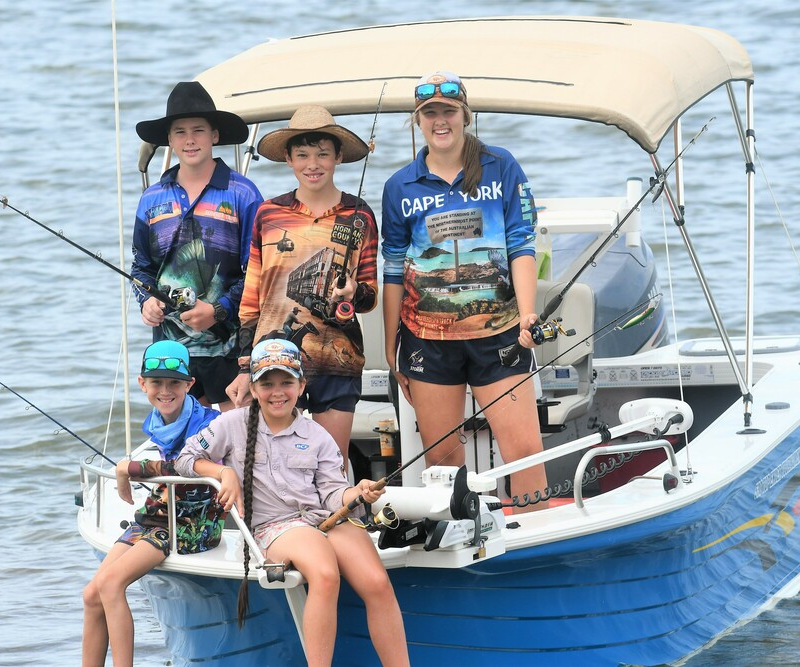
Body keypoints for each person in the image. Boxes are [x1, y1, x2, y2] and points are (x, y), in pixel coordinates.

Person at [175, 339, 408, 667]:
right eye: (267, 383)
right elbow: (185, 459)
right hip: (275, 527)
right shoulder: (230, 424)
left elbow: (331, 494)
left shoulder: (318, 435)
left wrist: (357, 493)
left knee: (377, 582)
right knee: (325, 574)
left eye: (286, 382)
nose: (277, 392)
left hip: (326, 518)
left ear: (301, 385)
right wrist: (222, 472)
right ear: (253, 388)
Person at [381, 72, 548, 511]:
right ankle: (463, 543)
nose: (440, 121)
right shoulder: (400, 186)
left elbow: (521, 244)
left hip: (501, 333)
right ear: (418, 121)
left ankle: (532, 537)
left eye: (448, 112)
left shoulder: (501, 165)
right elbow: (394, 269)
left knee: (525, 453)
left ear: (465, 115)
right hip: (427, 340)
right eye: (429, 113)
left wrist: (528, 314)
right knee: (441, 460)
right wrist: (389, 343)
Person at [225, 106, 378, 468]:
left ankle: (334, 525)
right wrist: (245, 365)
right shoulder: (268, 213)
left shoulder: (361, 215)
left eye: (323, 154)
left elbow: (370, 294)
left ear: (338, 157)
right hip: (272, 358)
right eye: (303, 155)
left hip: (336, 361)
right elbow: (250, 299)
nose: (314, 164)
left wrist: (354, 292)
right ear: (289, 160)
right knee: (268, 463)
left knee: (331, 463)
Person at [82, 340, 223, 667]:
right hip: (158, 514)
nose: (165, 390)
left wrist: (129, 469)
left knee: (111, 583)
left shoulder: (209, 423)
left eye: (174, 383)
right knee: (92, 595)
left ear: (190, 384)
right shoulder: (159, 420)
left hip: (191, 524)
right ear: (142, 383)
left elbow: (190, 466)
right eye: (156, 382)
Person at [132, 80, 263, 411]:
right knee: (182, 450)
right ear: (170, 141)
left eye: (199, 130)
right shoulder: (151, 200)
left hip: (231, 347)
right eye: (180, 132)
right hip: (170, 351)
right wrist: (146, 301)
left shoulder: (243, 194)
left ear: (214, 136)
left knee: (235, 441)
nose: (189, 140)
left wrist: (217, 310)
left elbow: (258, 273)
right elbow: (141, 269)